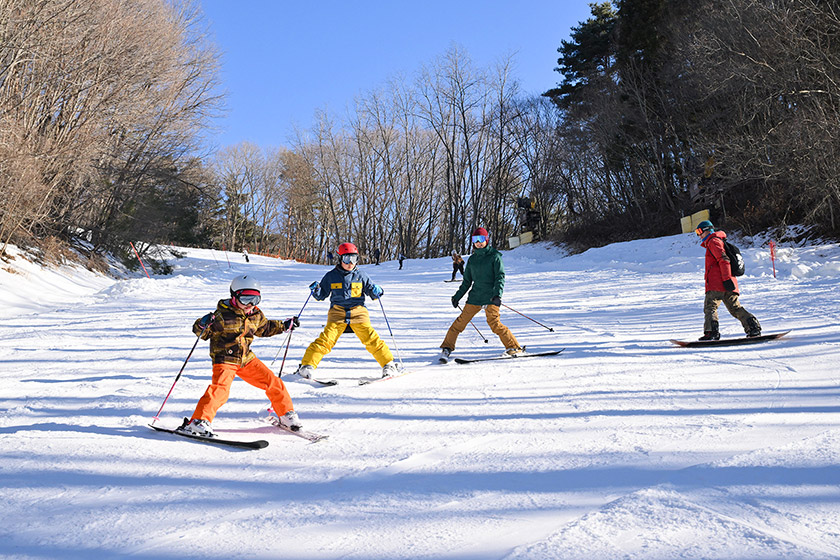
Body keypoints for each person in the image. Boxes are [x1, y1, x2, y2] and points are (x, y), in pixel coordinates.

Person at [179, 275, 302, 436]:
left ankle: (286, 414)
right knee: (220, 390)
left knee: (273, 382)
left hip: (246, 359)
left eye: (255, 300)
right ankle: (198, 421)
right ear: (234, 296)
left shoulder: (255, 314)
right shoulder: (222, 315)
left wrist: (284, 326)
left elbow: (264, 328)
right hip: (225, 358)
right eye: (246, 299)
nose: (250, 305)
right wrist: (202, 324)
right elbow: (202, 333)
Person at [297, 242, 397, 378]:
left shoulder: (361, 275)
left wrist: (377, 291)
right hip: (337, 312)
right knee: (326, 339)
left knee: (371, 337)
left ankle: (388, 364)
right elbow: (321, 296)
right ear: (340, 259)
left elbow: (373, 293)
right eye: (346, 259)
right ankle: (307, 365)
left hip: (358, 311)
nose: (350, 263)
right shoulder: (331, 276)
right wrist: (316, 291)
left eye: (354, 259)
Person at [439, 227, 523, 361]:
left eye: (481, 239)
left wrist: (497, 295)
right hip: (475, 297)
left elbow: (500, 277)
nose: (478, 242)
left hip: (491, 297)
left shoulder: (495, 256)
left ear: (487, 240)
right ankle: (447, 347)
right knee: (459, 323)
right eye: (475, 240)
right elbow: (467, 282)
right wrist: (457, 296)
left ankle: (513, 347)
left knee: (495, 323)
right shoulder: (472, 260)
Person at [696, 220, 761, 340]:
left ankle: (711, 332)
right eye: (697, 232)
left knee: (710, 307)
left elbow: (724, 260)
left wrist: (726, 279)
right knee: (735, 308)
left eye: (700, 231)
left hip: (718, 283)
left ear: (707, 230)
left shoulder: (713, 241)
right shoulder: (718, 241)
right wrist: (728, 280)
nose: (699, 235)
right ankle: (753, 327)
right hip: (728, 282)